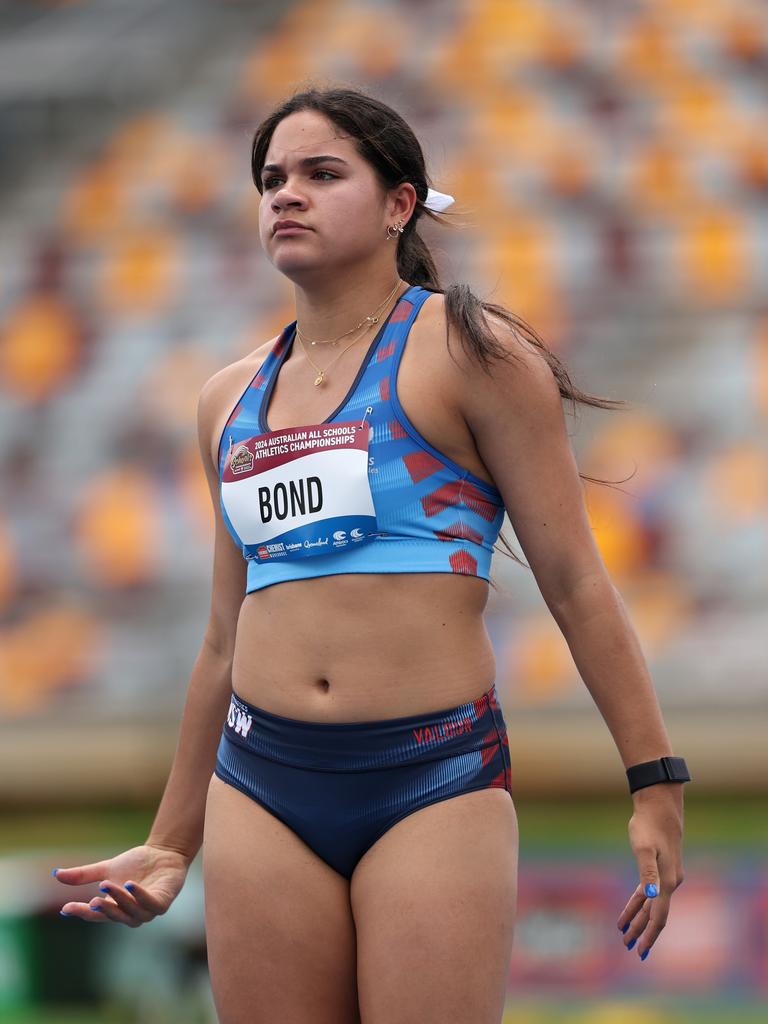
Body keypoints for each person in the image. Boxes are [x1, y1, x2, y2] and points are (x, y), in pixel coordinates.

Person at [52, 86, 689, 1024]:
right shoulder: (225, 399)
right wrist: (171, 840)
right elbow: (225, 639)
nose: (285, 196)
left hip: (431, 782)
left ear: (400, 204)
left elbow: (576, 583)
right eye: (270, 179)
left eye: (320, 174)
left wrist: (654, 783)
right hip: (261, 786)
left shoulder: (472, 352)